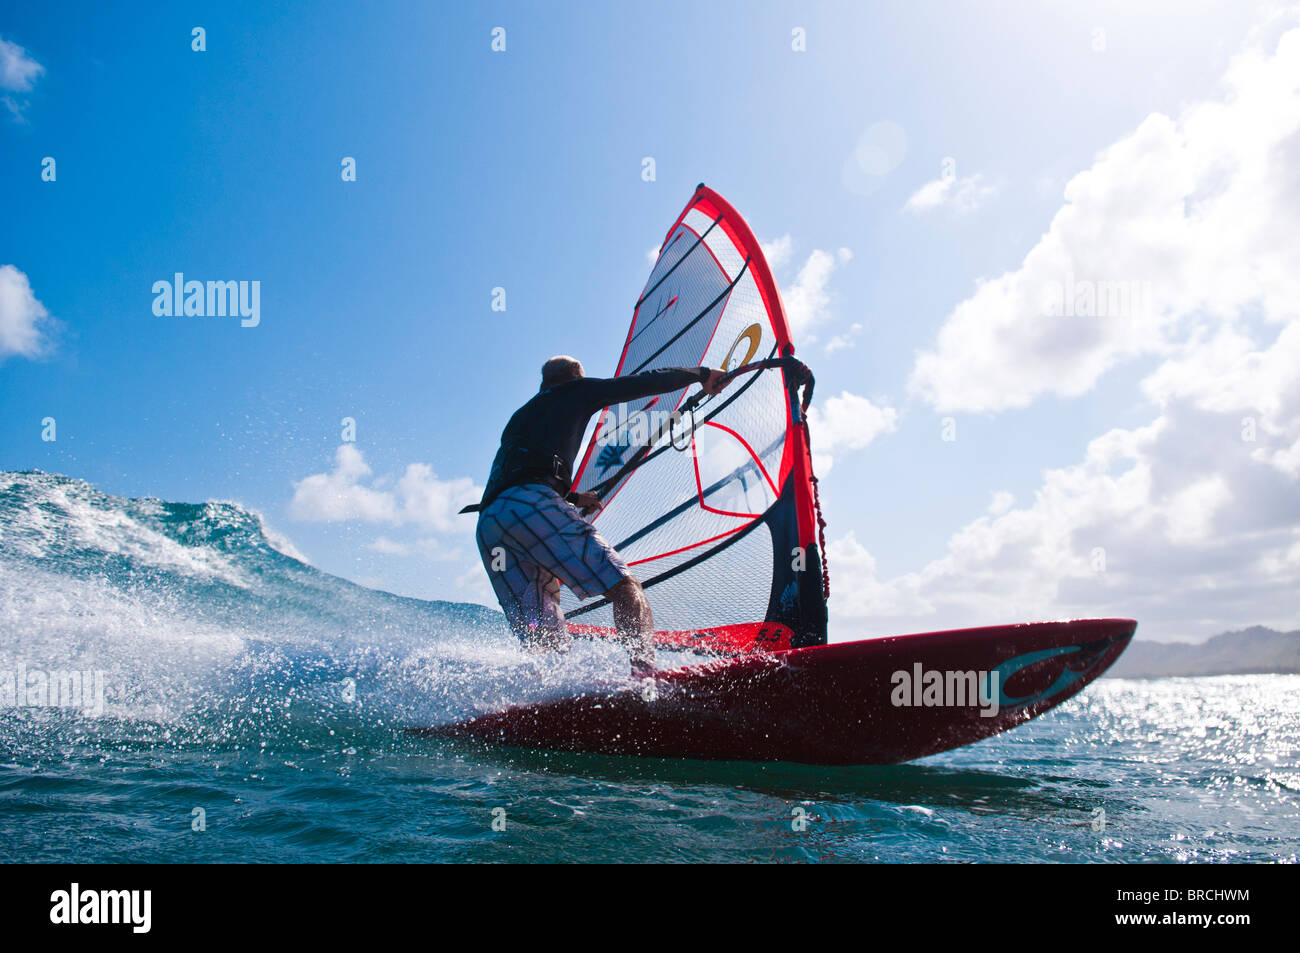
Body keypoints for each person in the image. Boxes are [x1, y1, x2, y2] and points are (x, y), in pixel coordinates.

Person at [473, 355, 728, 676]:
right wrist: (700, 374)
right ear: (576, 378)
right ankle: (646, 680)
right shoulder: (575, 391)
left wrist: (576, 497)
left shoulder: (521, 416)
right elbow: (643, 382)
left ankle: (548, 700)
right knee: (624, 588)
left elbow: (522, 469)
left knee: (540, 630)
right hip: (530, 503)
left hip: (491, 523)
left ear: (543, 383)